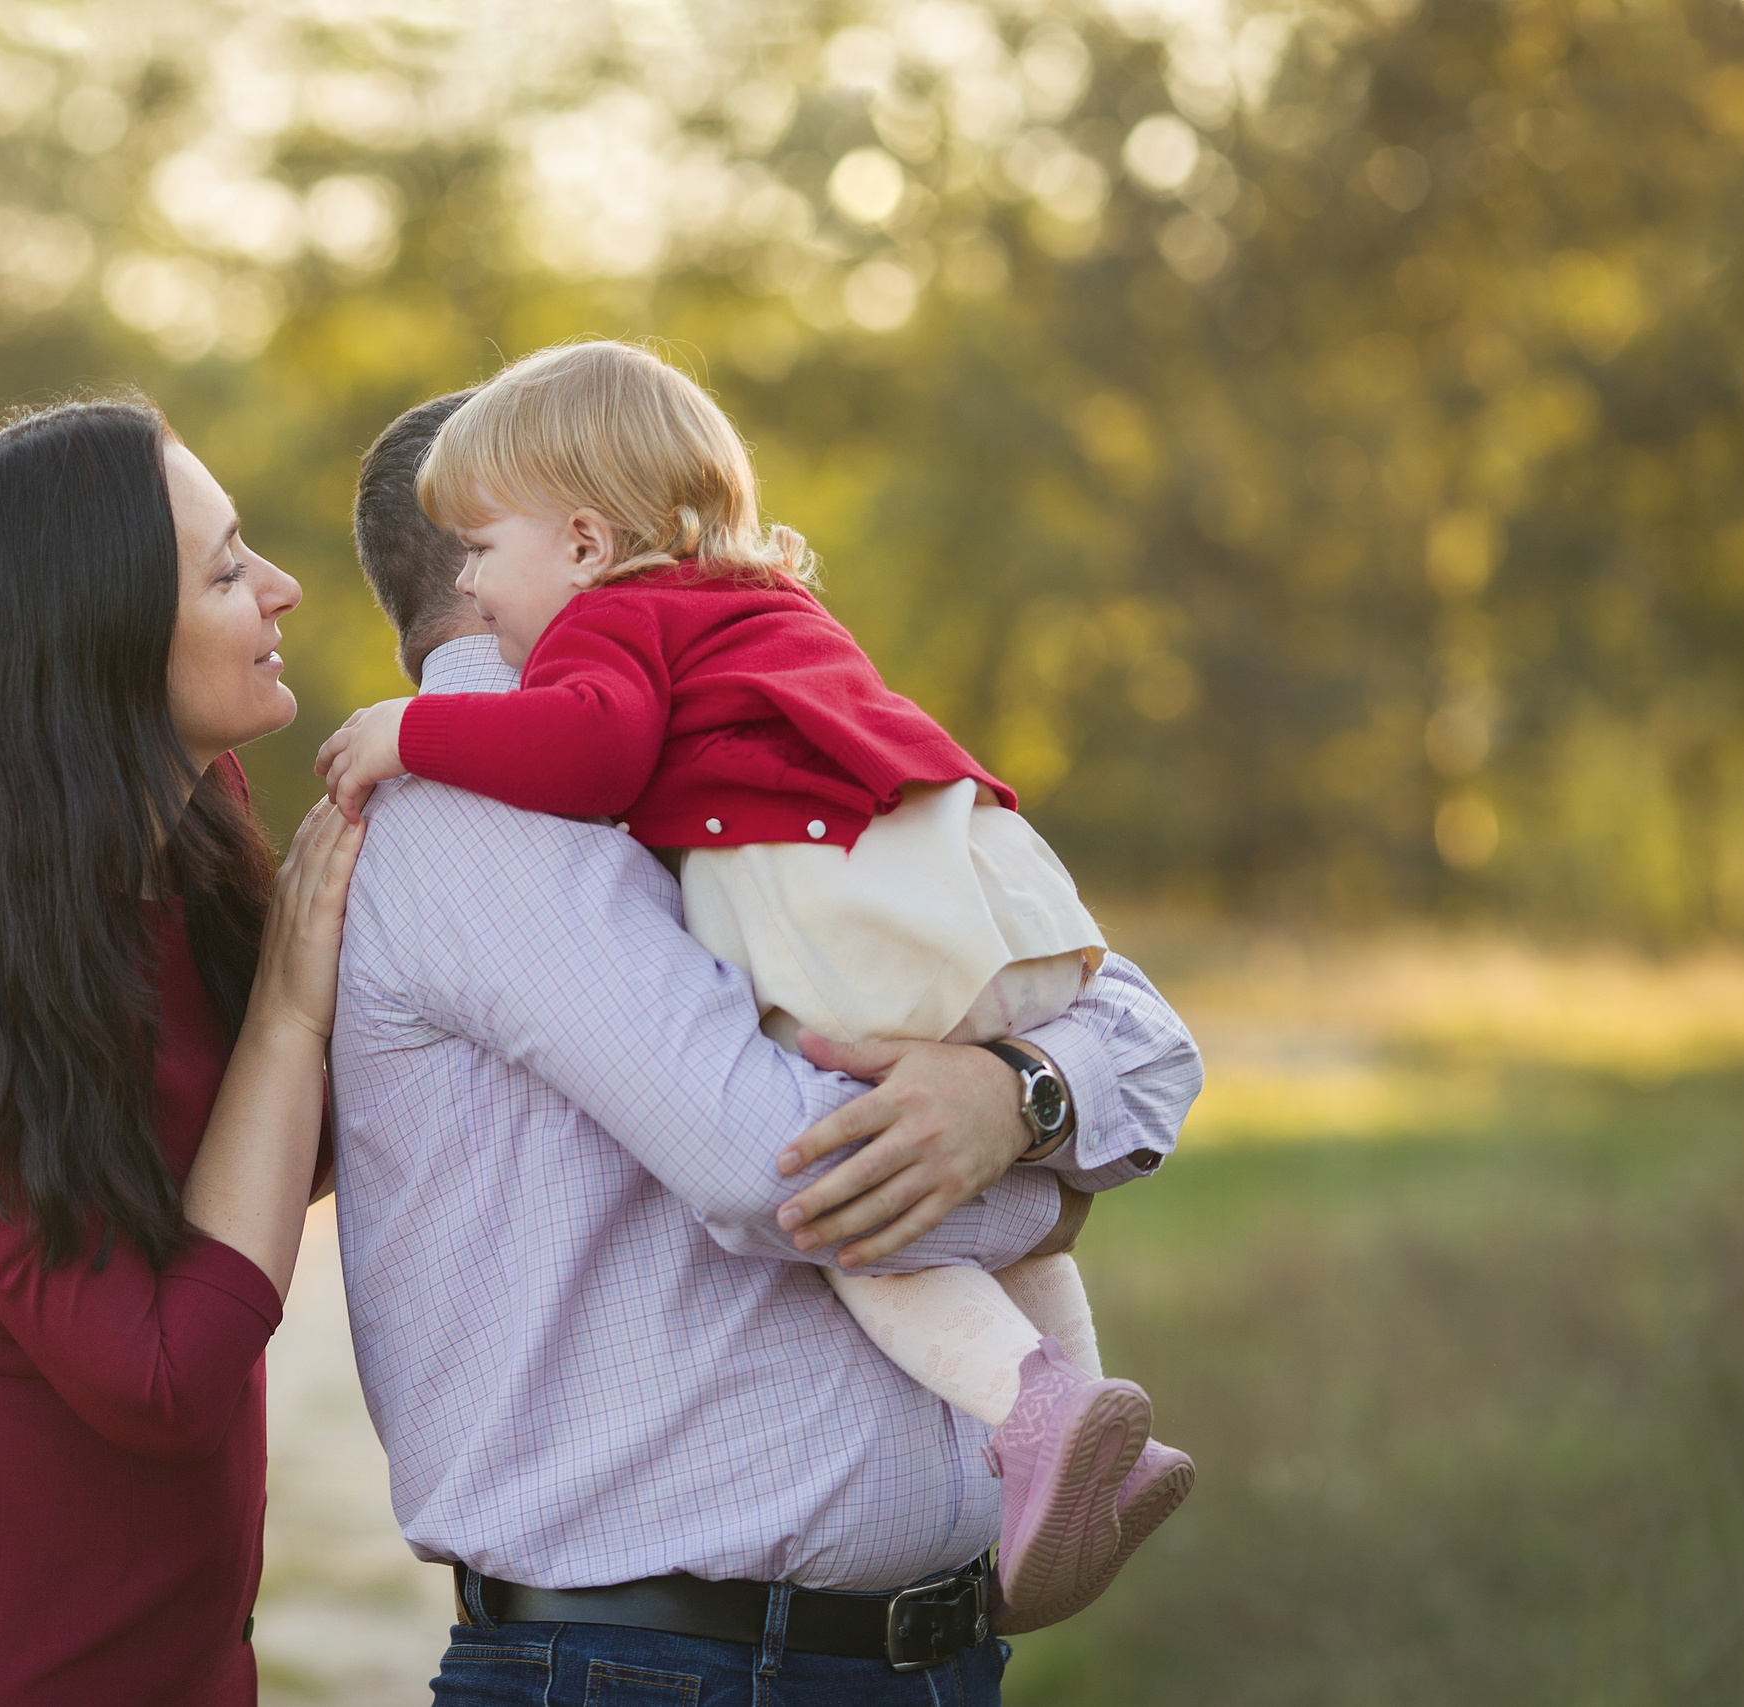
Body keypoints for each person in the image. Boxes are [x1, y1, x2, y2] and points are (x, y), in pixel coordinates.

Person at [326, 385, 1204, 1703]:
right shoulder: (478, 814)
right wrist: (1041, 1179)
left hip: (888, 1654)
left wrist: (1019, 1091)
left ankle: (1079, 1440)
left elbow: (1135, 1030)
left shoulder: (725, 727)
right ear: (511, 554)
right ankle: (1049, 1412)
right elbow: (786, 1174)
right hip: (663, 1666)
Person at [0, 399, 362, 1706]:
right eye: (226, 572)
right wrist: (287, 1014)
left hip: (177, 1641)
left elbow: (278, 1151)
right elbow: (158, 1377)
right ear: (102, 635)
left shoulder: (195, 838)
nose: (282, 588)